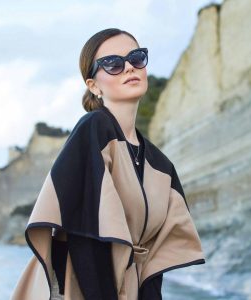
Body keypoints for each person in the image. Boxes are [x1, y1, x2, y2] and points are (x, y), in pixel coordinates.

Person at [11, 28, 205, 300]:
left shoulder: (161, 165)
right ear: (94, 85)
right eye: (113, 63)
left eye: (136, 58)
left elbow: (155, 262)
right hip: (77, 287)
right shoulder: (94, 129)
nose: (128, 68)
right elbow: (85, 237)